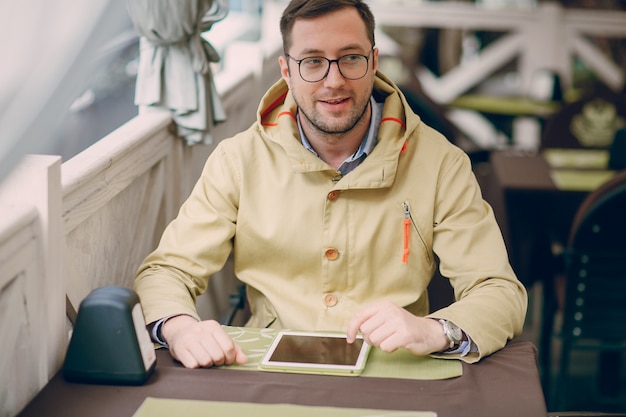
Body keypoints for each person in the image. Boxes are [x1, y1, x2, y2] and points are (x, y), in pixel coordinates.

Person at [133, 0, 527, 369]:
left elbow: (498, 291)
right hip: (267, 373)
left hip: (393, 369)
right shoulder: (237, 160)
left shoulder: (441, 163)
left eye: (351, 58)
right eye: (313, 62)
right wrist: (181, 327)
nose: (333, 81)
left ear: (374, 61)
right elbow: (167, 270)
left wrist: (433, 330)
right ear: (286, 70)